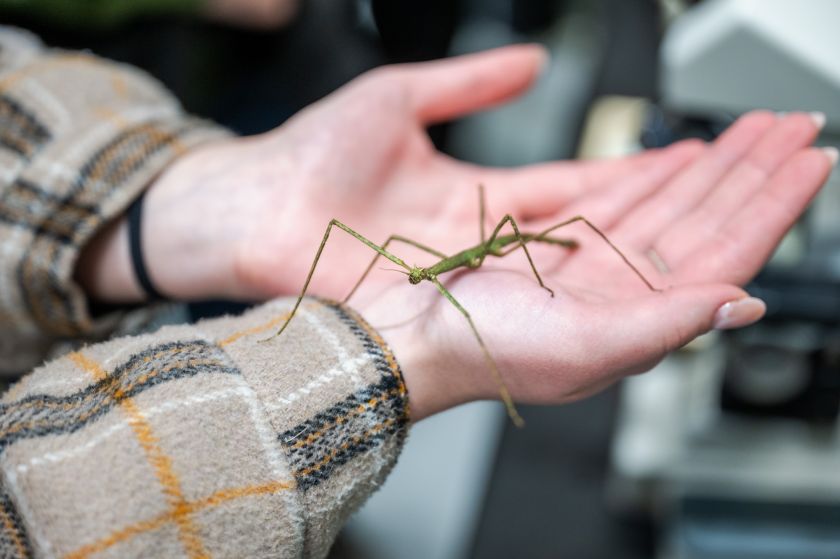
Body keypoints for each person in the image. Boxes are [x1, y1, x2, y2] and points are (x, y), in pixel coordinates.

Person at [0, 25, 835, 558]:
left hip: (472, 244)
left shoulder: (503, 230)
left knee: (507, 249)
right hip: (413, 283)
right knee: (419, 275)